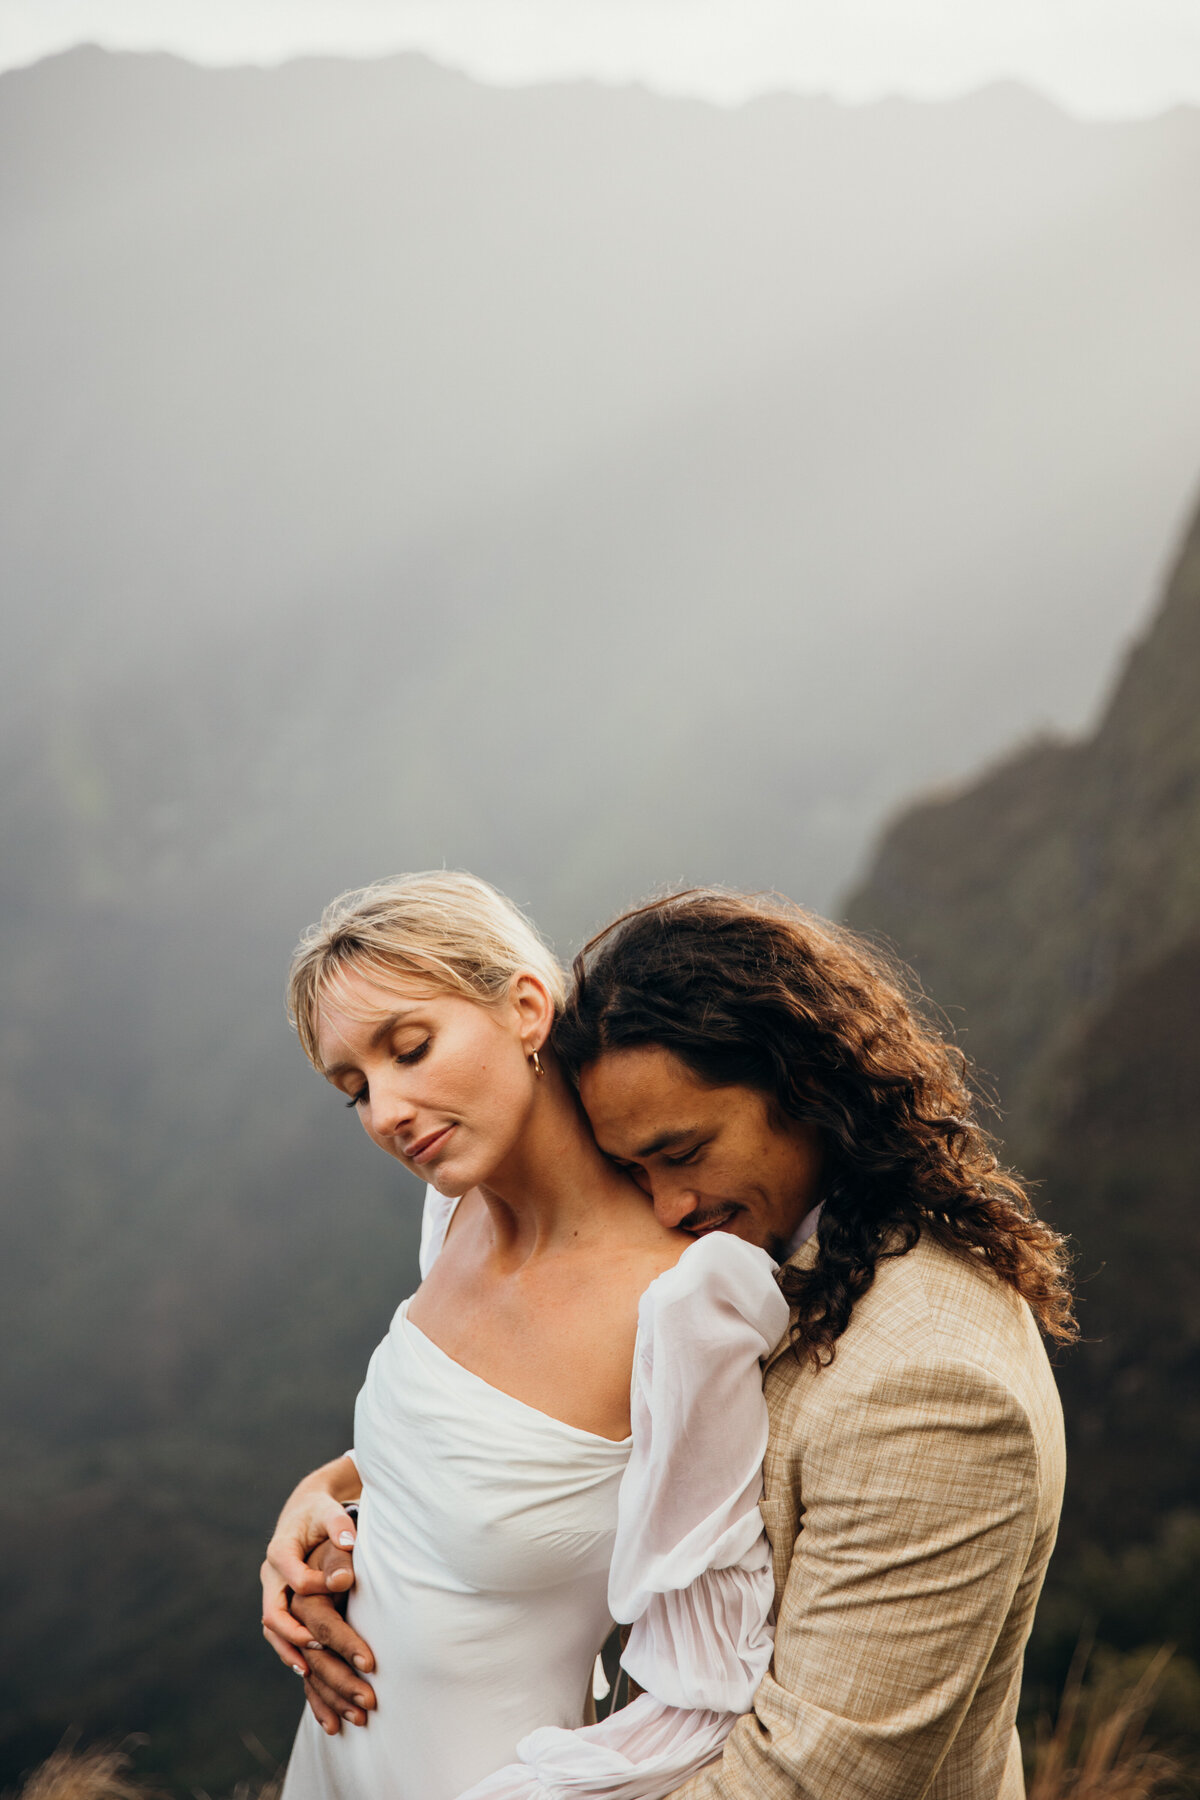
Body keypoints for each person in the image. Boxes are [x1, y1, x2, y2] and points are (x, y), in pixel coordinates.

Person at [282, 887, 1074, 1800]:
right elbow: (514, 1448)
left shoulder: (913, 1376)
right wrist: (330, 1496)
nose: (664, 1210)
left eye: (682, 1152)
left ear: (803, 1084)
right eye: (632, 1168)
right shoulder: (757, 1235)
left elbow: (814, 1779)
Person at [264, 872, 792, 1800]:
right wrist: (323, 1495)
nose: (386, 1112)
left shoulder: (687, 1304)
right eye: (356, 1089)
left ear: (525, 1006)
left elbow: (707, 1685)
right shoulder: (455, 1216)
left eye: (412, 1049)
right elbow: (474, 1449)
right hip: (327, 1770)